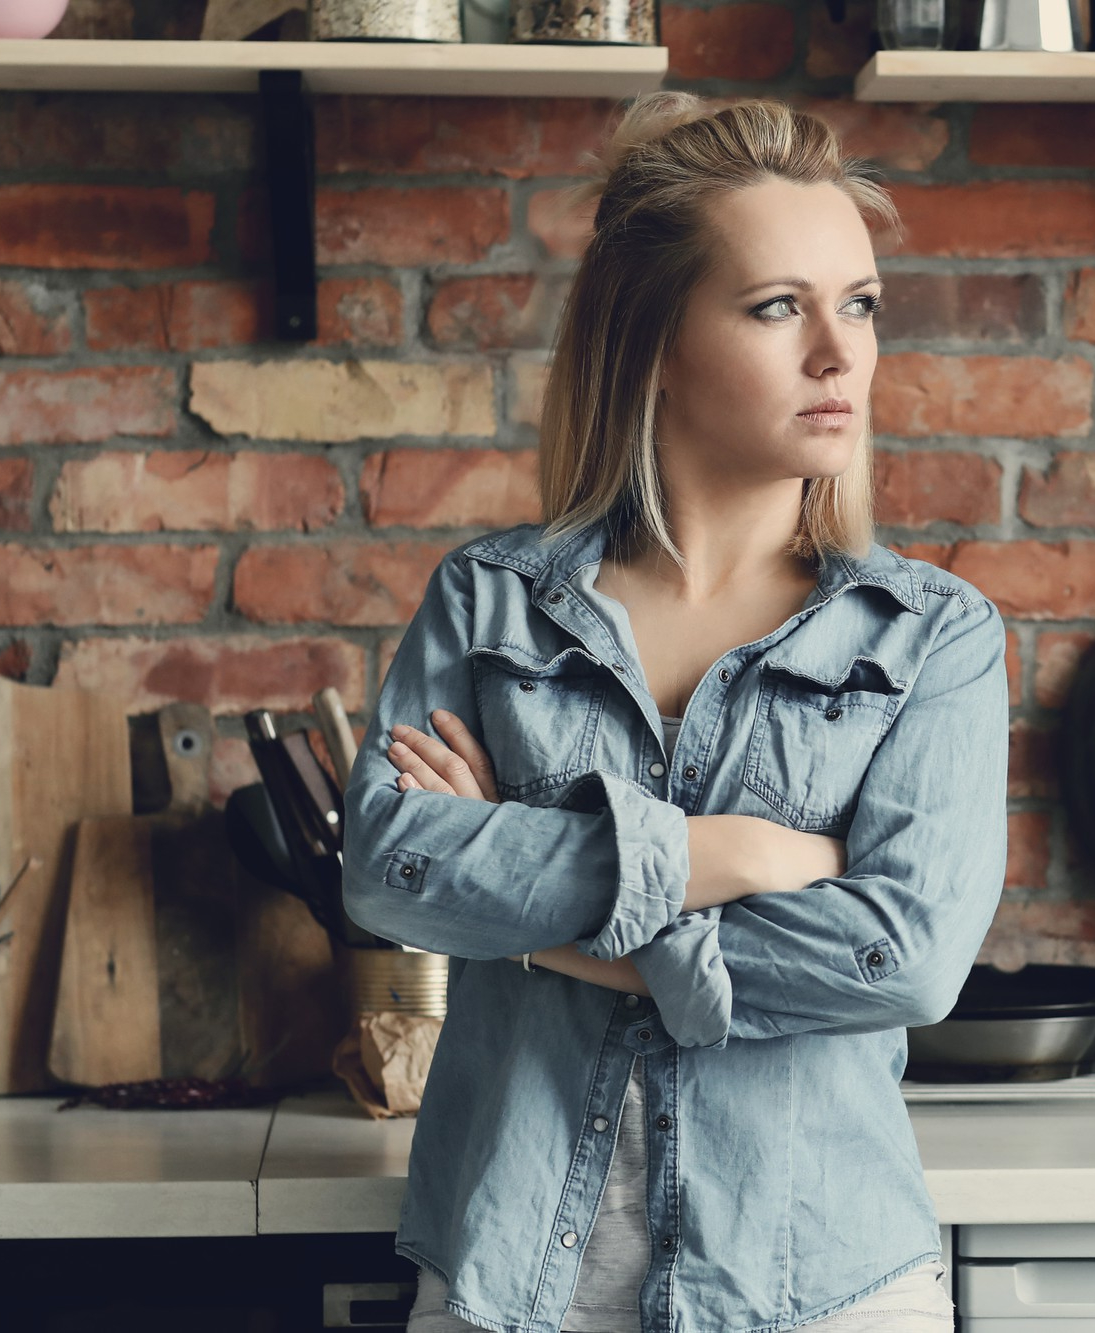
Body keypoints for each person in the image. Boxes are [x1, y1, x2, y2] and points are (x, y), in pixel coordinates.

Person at [339, 91, 1011, 1333]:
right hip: (508, 1286)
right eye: (777, 307)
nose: (838, 353)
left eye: (857, 304)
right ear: (650, 338)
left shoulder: (933, 637)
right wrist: (735, 856)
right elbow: (393, 869)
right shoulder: (494, 604)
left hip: (821, 1291)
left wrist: (545, 935)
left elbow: (905, 957)